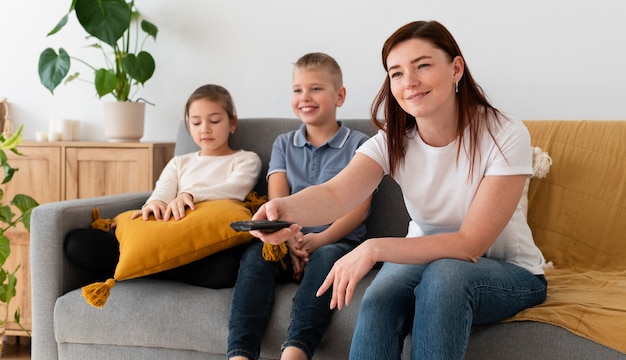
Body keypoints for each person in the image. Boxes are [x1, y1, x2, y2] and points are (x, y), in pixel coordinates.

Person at [250, 21, 548, 359]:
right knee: (380, 299)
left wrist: (373, 249)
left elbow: (470, 245)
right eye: (396, 73)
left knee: (445, 276)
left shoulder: (504, 133)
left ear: (456, 69)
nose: (410, 82)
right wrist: (283, 210)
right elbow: (335, 194)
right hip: (421, 258)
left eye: (422, 65)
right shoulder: (394, 139)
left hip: (509, 270)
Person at [227, 53, 372, 360]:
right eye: (297, 90)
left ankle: (296, 351)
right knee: (255, 257)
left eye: (316, 88)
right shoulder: (282, 144)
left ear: (340, 95)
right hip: (288, 239)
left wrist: (319, 240)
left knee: (328, 259)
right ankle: (239, 353)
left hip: (337, 241)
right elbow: (277, 200)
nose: (305, 97)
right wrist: (291, 240)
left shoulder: (360, 144)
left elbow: (357, 208)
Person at [64, 84, 262, 288]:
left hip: (203, 240)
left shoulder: (245, 159)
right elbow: (163, 190)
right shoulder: (180, 162)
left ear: (232, 122)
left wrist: (189, 195)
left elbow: (235, 188)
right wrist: (156, 203)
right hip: (166, 234)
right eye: (195, 122)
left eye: (214, 120)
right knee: (76, 242)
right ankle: (156, 264)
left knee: (228, 268)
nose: (205, 128)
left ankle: (142, 266)